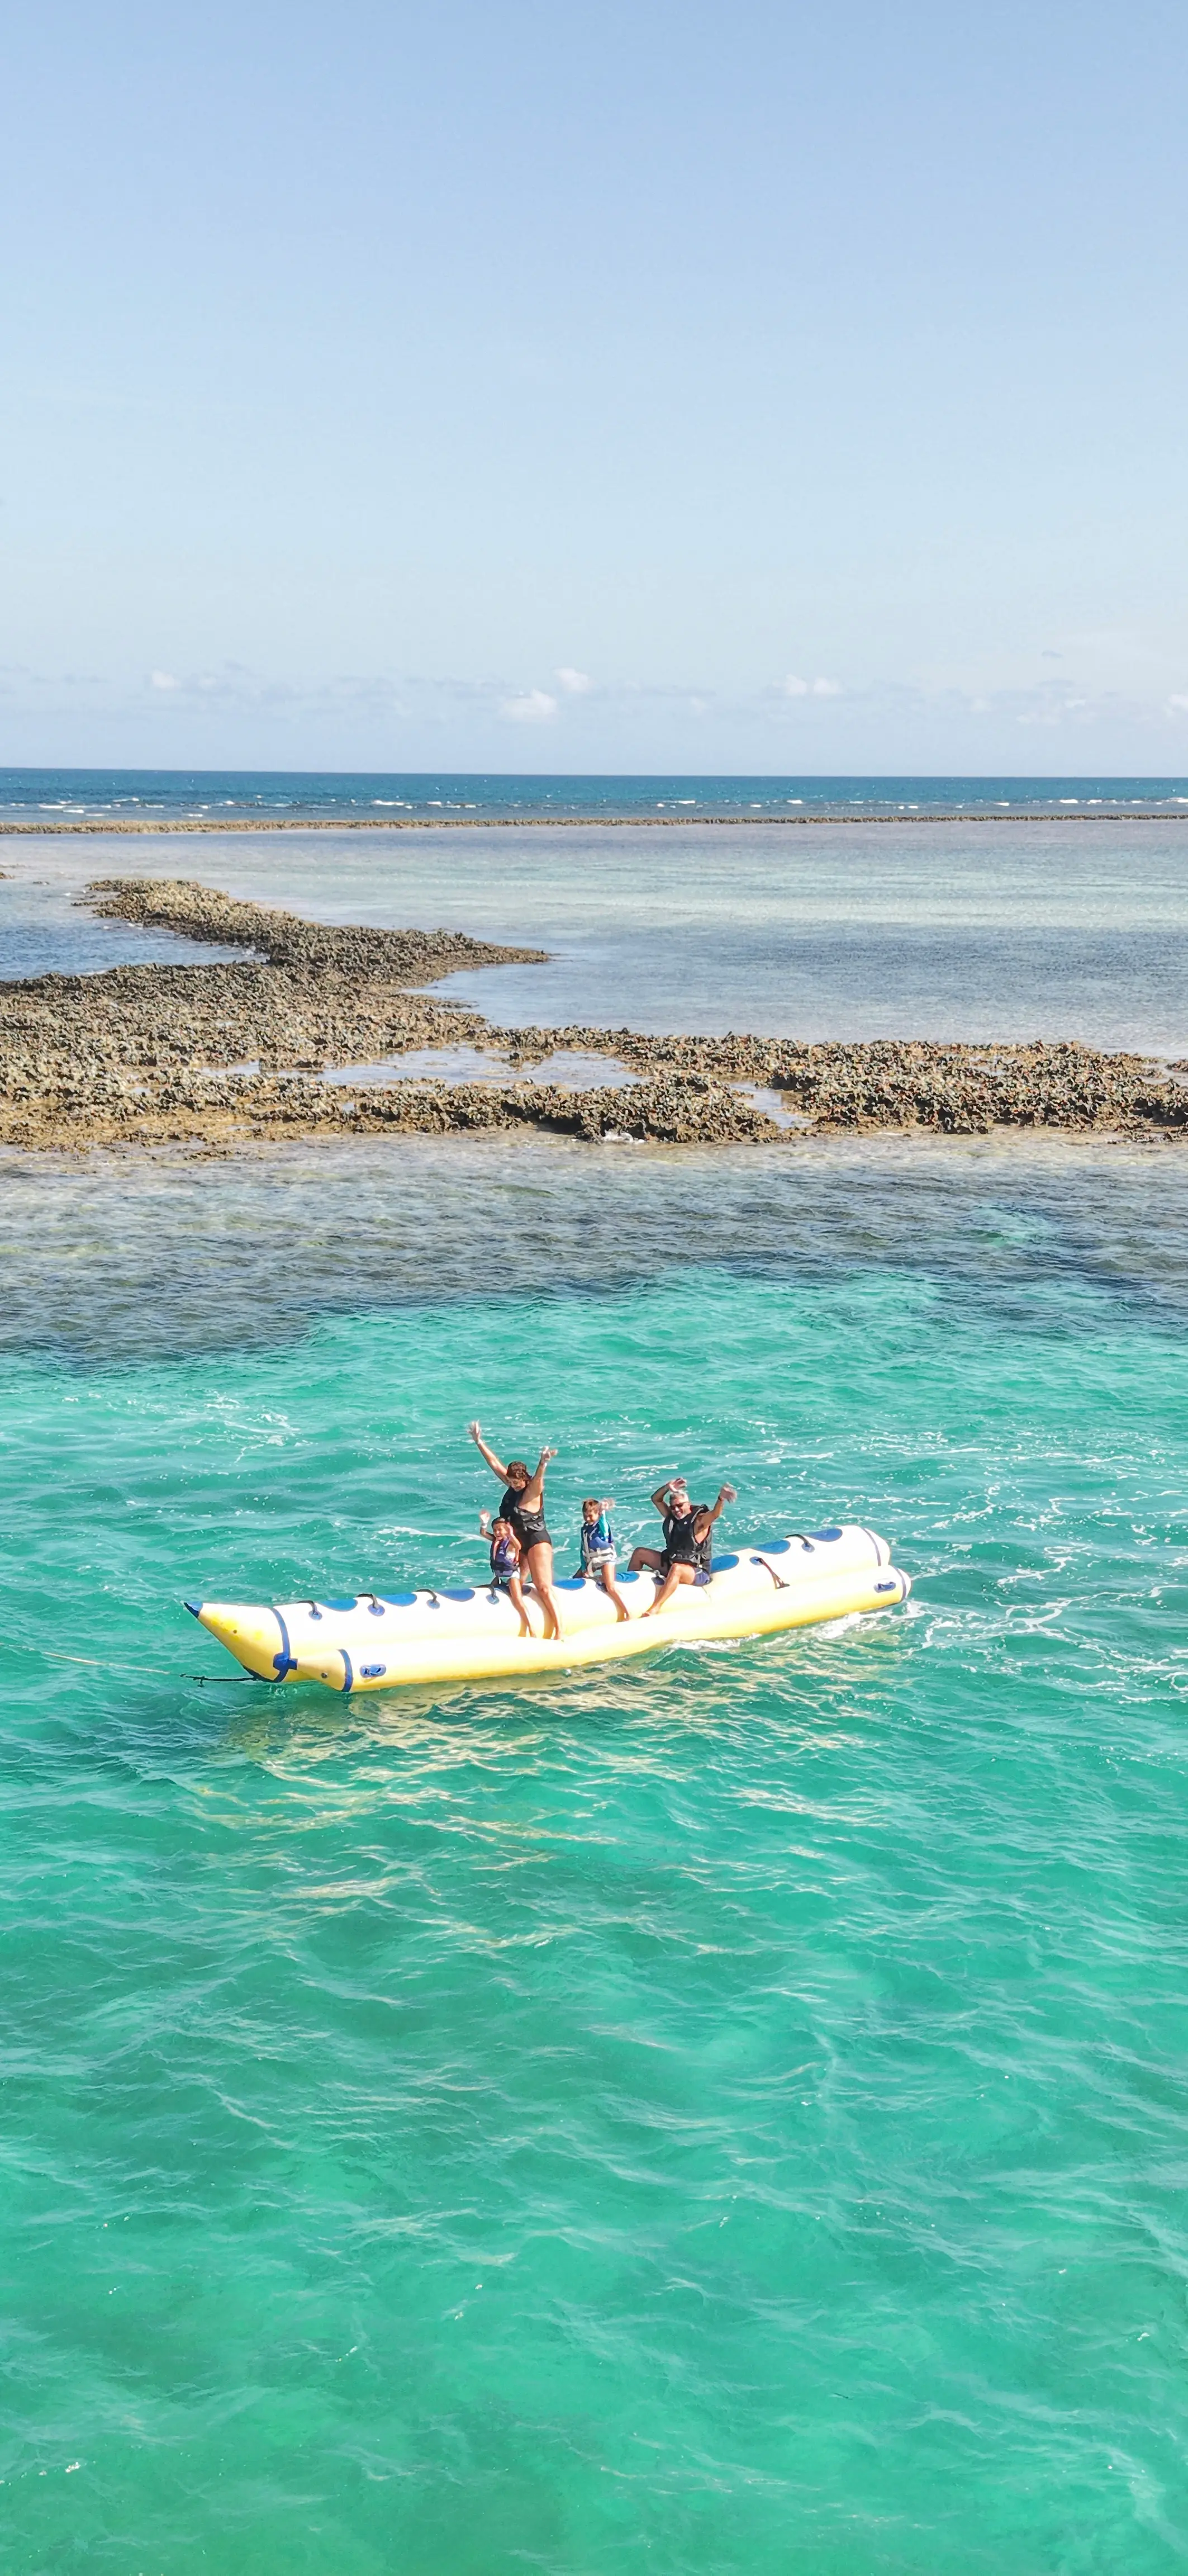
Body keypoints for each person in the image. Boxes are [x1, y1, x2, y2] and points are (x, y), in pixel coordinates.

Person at [468, 1422, 563, 1640]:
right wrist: (478, 1441)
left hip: (537, 1541)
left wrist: (543, 1462)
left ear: (524, 1479)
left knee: (543, 1587)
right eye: (510, 1482)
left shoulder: (531, 1491)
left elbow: (539, 1480)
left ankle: (560, 1630)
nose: (513, 1485)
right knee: (515, 1586)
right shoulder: (512, 1485)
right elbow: (494, 1464)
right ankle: (524, 1625)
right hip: (519, 1544)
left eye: (517, 1482)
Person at [629, 1474, 737, 1619]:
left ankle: (656, 1608)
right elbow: (656, 1499)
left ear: (688, 1504)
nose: (676, 1510)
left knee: (677, 1568)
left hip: (696, 1572)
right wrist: (668, 1487)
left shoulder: (699, 1521)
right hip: (671, 1562)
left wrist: (721, 1498)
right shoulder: (672, 1517)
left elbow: (715, 1514)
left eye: (680, 1506)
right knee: (640, 1553)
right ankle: (628, 1591)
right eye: (673, 1507)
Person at [576, 1497, 630, 1623]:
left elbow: (603, 1521)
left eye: (590, 1516)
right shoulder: (584, 1529)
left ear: (598, 1514)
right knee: (576, 1578)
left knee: (610, 1586)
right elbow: (582, 1550)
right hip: (593, 1561)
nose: (587, 1519)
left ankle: (628, 1612)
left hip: (606, 1559)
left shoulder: (602, 1526)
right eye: (585, 1516)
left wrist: (603, 1511)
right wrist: (584, 1568)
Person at [479, 1509, 531, 1636]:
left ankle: (531, 1629)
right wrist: (484, 1523)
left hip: (511, 1577)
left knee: (518, 1601)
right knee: (486, 1590)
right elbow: (483, 1533)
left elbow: (519, 1547)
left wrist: (511, 1534)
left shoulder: (511, 1544)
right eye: (495, 1530)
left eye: (500, 1530)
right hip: (499, 1577)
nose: (497, 1532)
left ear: (506, 1531)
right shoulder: (496, 1541)